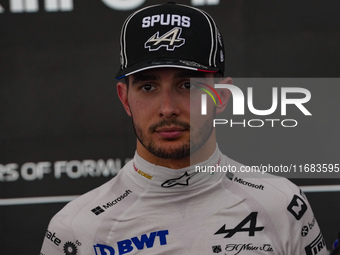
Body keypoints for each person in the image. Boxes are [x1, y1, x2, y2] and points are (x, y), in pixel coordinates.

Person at [40, 2, 328, 254]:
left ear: (222, 97)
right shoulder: (76, 230)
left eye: (187, 85)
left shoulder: (283, 205)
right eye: (148, 86)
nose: (167, 108)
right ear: (125, 98)